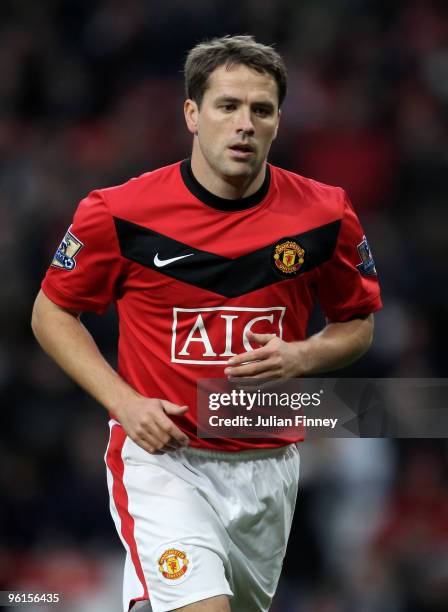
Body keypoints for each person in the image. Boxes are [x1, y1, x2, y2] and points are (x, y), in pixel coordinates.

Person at [31, 35, 382, 612]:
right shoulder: (118, 212)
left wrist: (304, 356)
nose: (244, 123)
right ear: (192, 114)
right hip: (166, 462)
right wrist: (125, 403)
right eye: (227, 106)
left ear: (278, 122)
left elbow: (357, 323)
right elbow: (51, 312)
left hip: (269, 469)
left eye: (260, 110)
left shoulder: (325, 214)